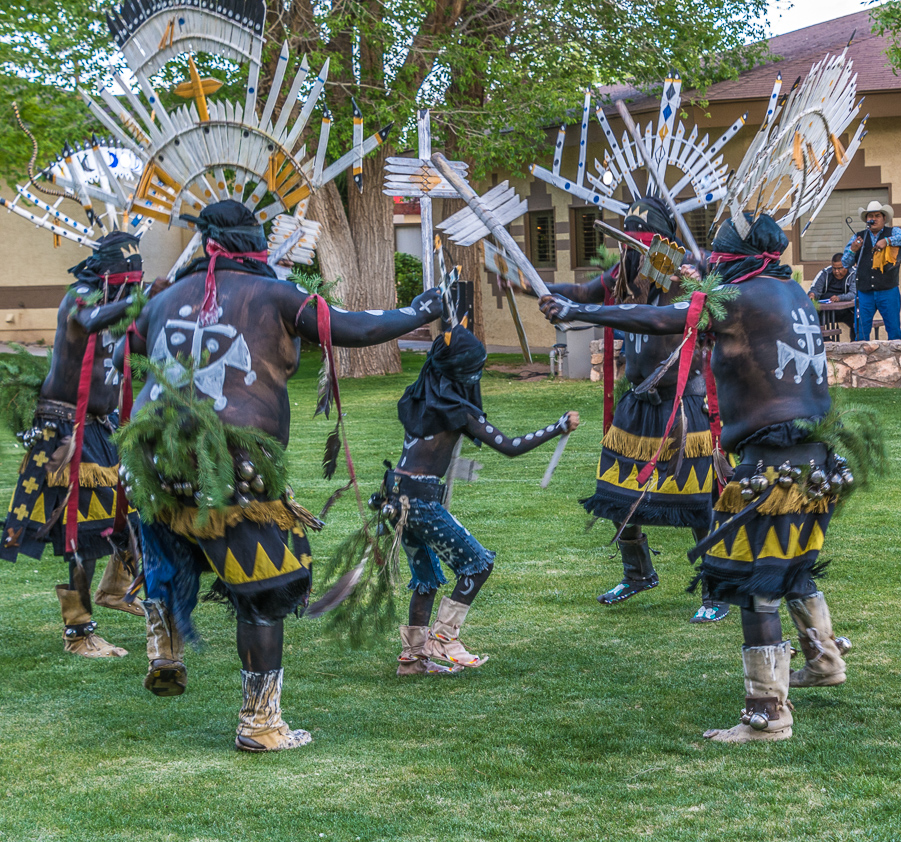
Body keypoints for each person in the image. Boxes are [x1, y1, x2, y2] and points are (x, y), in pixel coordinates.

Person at [542, 212, 883, 743]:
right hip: (815, 458)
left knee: (754, 586)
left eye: (719, 255)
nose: (713, 262)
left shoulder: (737, 298)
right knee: (788, 565)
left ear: (736, 258)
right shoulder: (789, 291)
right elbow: (681, 280)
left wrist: (576, 309)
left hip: (774, 458)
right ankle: (824, 662)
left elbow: (661, 318)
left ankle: (768, 717)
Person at [115, 200, 443, 751]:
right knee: (266, 591)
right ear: (254, 244)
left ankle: (163, 633)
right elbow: (352, 328)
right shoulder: (274, 295)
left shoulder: (163, 297)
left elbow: (129, 351)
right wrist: (419, 312)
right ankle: (259, 724)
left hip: (149, 459)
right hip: (229, 464)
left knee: (175, 534)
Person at [513, 197, 726, 623]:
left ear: (665, 245)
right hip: (637, 404)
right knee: (616, 495)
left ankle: (716, 588)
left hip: (682, 405)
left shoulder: (688, 281)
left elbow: (645, 316)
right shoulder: (625, 274)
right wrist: (537, 288)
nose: (636, 255)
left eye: (644, 246)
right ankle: (638, 572)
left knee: (699, 502)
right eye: (631, 246)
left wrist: (697, 277)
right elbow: (584, 294)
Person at [387, 324, 579, 675]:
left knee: (427, 578)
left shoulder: (420, 395)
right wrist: (557, 426)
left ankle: (413, 660)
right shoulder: (458, 410)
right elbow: (509, 446)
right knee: (478, 563)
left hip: (395, 498)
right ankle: (443, 640)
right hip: (422, 503)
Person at [0, 231, 146, 658]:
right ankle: (79, 634)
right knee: (76, 531)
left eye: (137, 283)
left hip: (103, 426)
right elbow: (90, 319)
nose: (132, 289)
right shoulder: (80, 297)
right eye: (127, 282)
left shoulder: (120, 305)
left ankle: (117, 589)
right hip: (64, 432)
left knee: (137, 504)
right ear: (108, 274)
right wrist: (143, 302)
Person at [842, 201, 901, 341]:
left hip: (888, 289)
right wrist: (852, 250)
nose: (873, 219)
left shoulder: (893, 232)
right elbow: (845, 262)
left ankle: (896, 360)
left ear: (884, 218)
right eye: (870, 216)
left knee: (893, 329)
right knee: (861, 331)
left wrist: (887, 241)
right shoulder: (859, 237)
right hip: (864, 291)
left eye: (877, 216)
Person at [809, 252, 856, 339]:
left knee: (857, 323)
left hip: (847, 311)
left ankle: (855, 346)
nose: (837, 272)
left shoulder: (853, 273)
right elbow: (815, 289)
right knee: (813, 321)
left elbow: (853, 294)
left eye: (840, 268)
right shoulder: (825, 273)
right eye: (834, 268)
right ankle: (827, 345)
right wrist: (812, 295)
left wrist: (839, 298)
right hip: (826, 311)